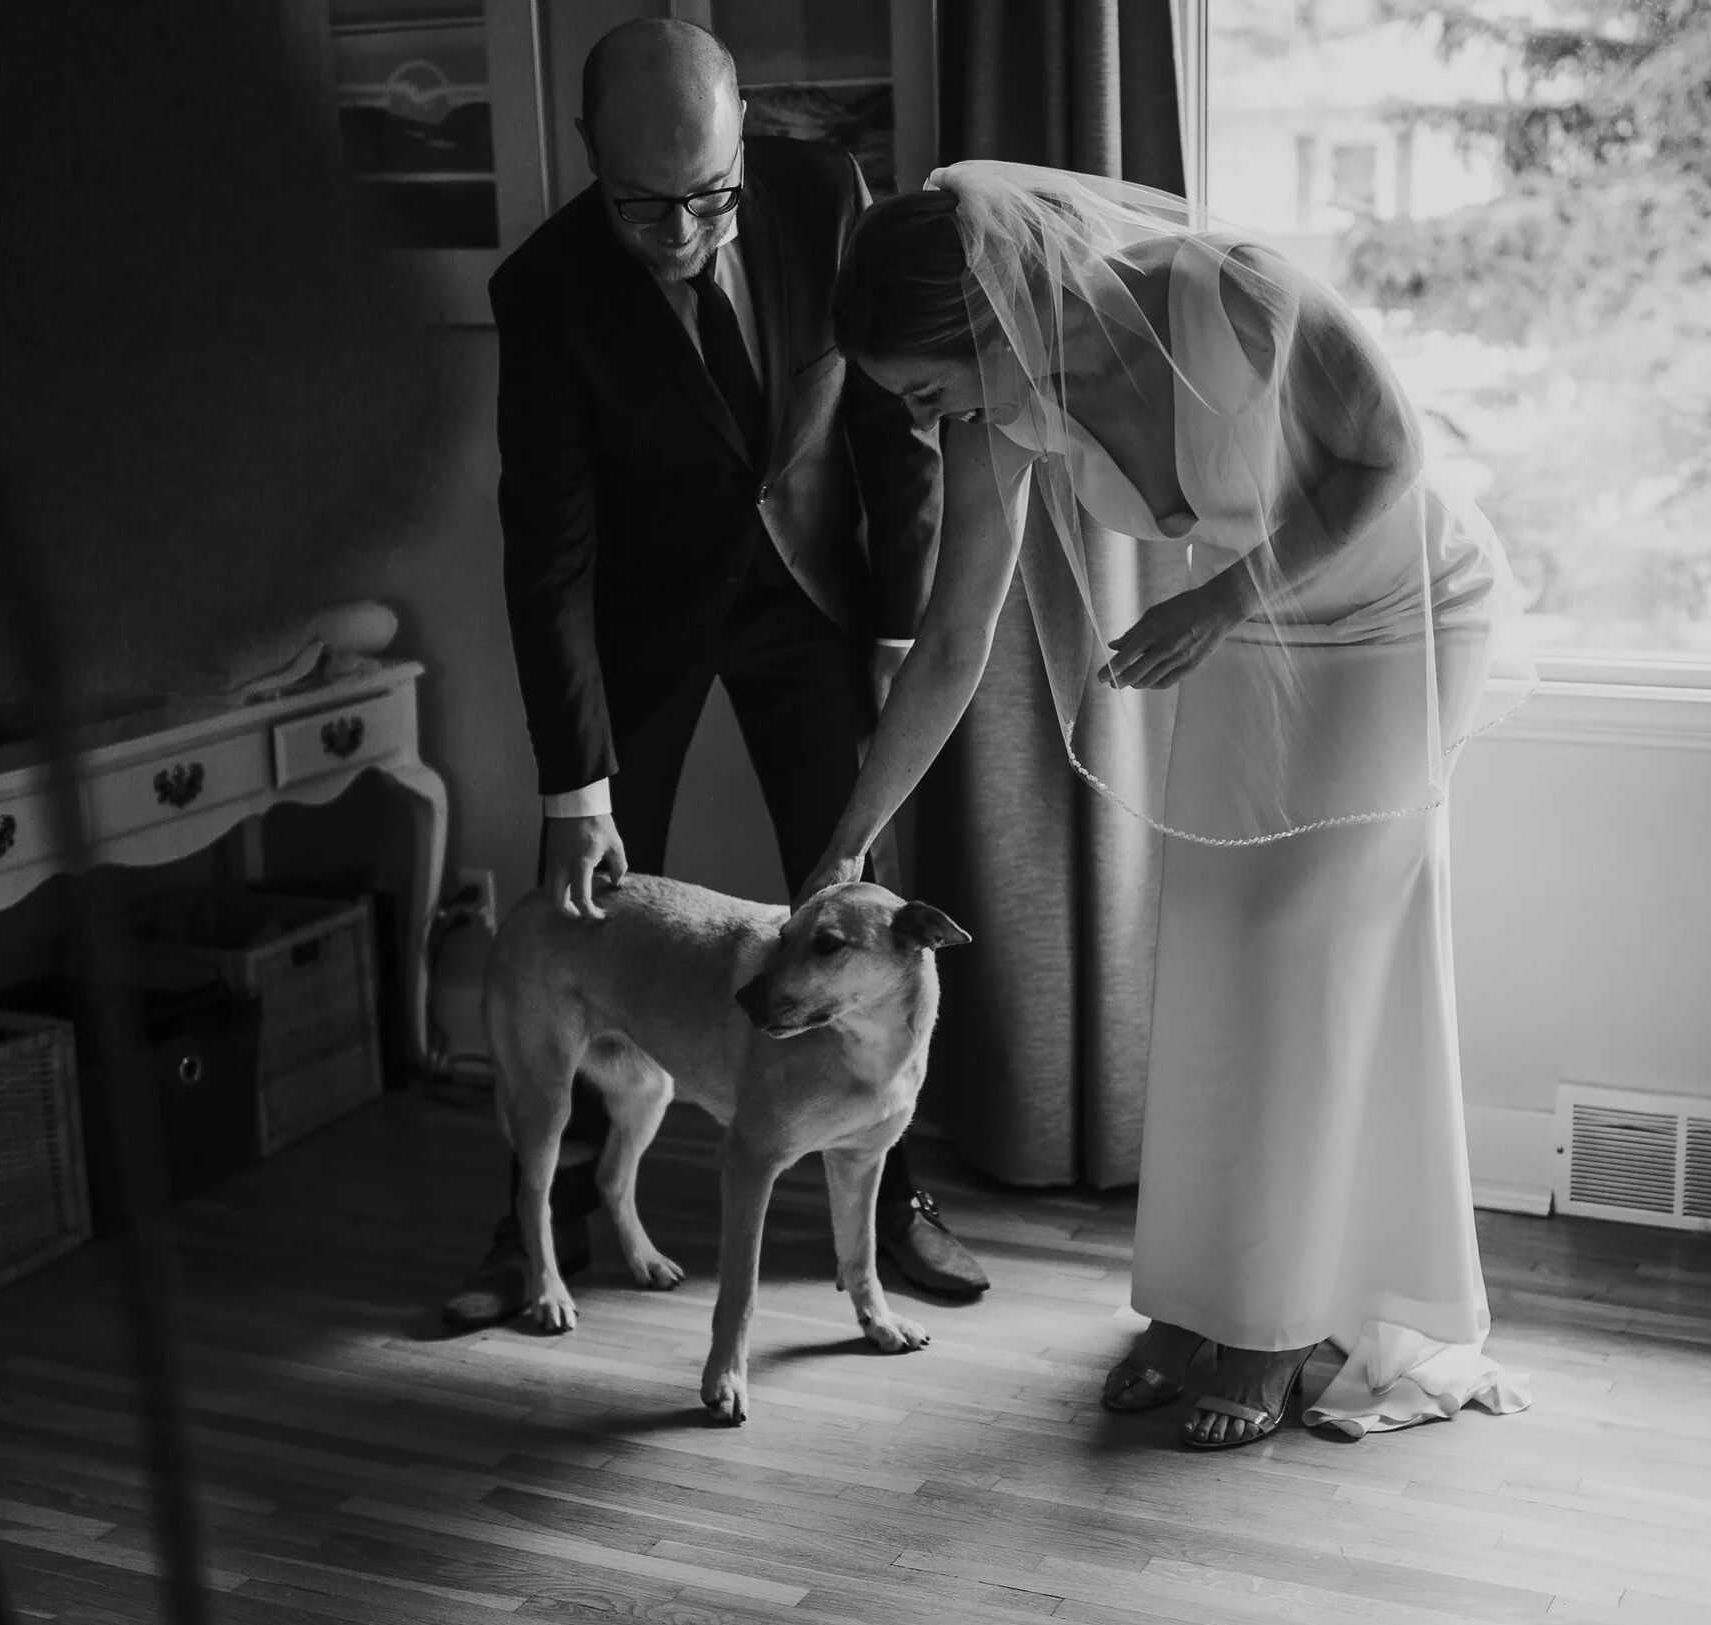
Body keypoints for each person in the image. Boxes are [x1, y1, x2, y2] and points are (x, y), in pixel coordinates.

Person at [799, 162, 1535, 1448]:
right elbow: (954, 638)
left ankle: (1282, 1321)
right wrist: (849, 835)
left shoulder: (1230, 292)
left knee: (1309, 957)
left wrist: (1218, 599)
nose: (922, 418)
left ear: (985, 316)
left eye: (923, 388)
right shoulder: (998, 413)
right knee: (1209, 956)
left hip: (1397, 618)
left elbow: (1388, 455)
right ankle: (1197, 1298)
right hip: (1250, 635)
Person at [444, 20, 990, 1329]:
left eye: (711, 197)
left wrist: (898, 624)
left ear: (746, 136)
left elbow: (891, 426)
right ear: (589, 151)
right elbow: (548, 552)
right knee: (583, 916)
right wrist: (575, 785)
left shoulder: (826, 192)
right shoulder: (546, 289)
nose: (683, 232)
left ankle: (890, 1194)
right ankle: (543, 1224)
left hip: (811, 599)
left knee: (855, 900)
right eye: (645, 206)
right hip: (644, 623)